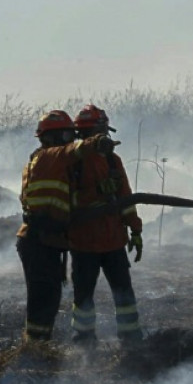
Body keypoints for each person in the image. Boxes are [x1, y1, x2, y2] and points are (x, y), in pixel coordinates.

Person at [16, 110, 115, 341]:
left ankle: (38, 343)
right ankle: (36, 348)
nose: (71, 139)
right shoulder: (53, 156)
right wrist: (99, 140)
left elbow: (68, 201)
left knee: (48, 293)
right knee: (44, 295)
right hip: (38, 239)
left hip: (43, 238)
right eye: (67, 135)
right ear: (54, 137)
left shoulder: (44, 160)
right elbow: (77, 149)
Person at [67, 104, 144, 345]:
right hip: (84, 243)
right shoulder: (71, 161)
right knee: (84, 296)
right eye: (99, 130)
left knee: (123, 292)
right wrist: (96, 193)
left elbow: (126, 198)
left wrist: (135, 229)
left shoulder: (112, 160)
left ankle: (131, 337)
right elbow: (66, 201)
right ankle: (84, 340)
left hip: (113, 241)